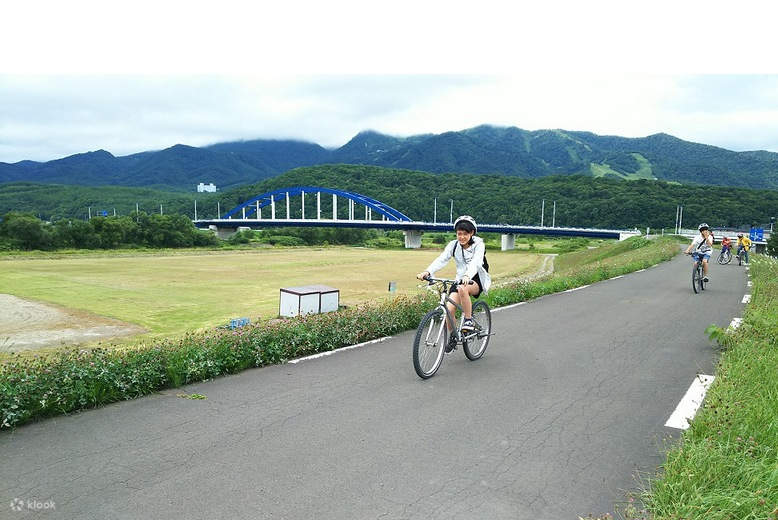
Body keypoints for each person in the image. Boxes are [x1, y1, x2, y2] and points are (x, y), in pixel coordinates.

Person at [417, 215, 491, 352]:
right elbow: (442, 259)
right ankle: (453, 335)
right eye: (459, 234)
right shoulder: (453, 245)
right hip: (460, 279)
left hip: (476, 278)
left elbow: (476, 262)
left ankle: (468, 320)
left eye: (465, 234)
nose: (462, 237)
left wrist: (468, 275)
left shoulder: (479, 245)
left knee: (463, 289)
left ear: (472, 233)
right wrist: (427, 271)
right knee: (449, 309)